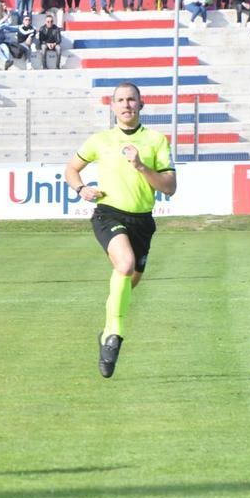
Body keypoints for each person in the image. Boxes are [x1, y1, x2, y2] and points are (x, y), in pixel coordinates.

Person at [64, 83, 177, 379]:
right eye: (120, 100)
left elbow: (170, 187)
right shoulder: (100, 140)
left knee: (129, 280)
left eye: (131, 100)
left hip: (142, 221)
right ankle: (114, 334)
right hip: (108, 213)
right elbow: (71, 169)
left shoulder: (156, 140)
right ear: (112, 106)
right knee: (124, 264)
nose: (126, 105)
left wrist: (141, 167)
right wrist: (81, 189)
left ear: (141, 104)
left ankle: (105, 331)